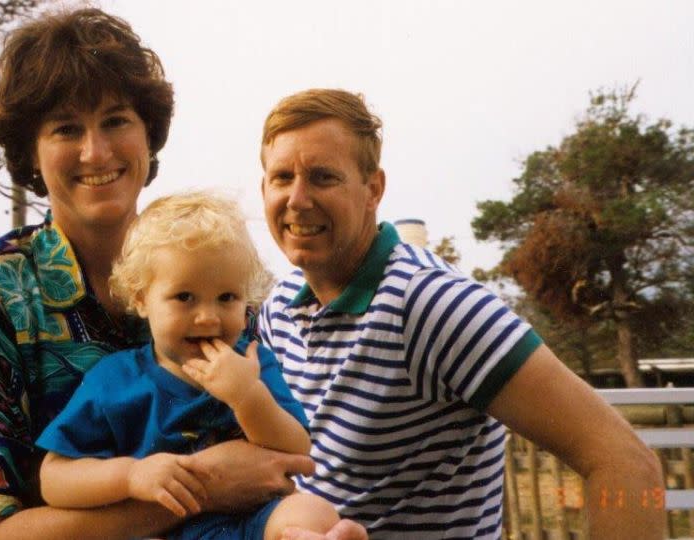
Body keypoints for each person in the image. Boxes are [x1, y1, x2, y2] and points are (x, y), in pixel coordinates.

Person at [0, 10, 317, 540]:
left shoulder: (219, 285)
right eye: (67, 128)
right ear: (30, 152)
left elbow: (277, 470)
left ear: (148, 134)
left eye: (116, 120)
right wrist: (200, 490)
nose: (96, 151)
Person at [257, 88, 665, 539]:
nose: (297, 199)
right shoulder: (278, 307)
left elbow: (625, 461)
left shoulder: (431, 304)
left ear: (373, 189)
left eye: (322, 177)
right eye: (281, 178)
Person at [35, 193, 341, 540]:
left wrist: (247, 397)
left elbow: (297, 449)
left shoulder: (252, 363)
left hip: (255, 522)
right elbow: (54, 479)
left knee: (313, 511)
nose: (208, 317)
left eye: (227, 297)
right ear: (141, 299)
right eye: (184, 297)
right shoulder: (114, 380)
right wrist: (131, 476)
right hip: (161, 530)